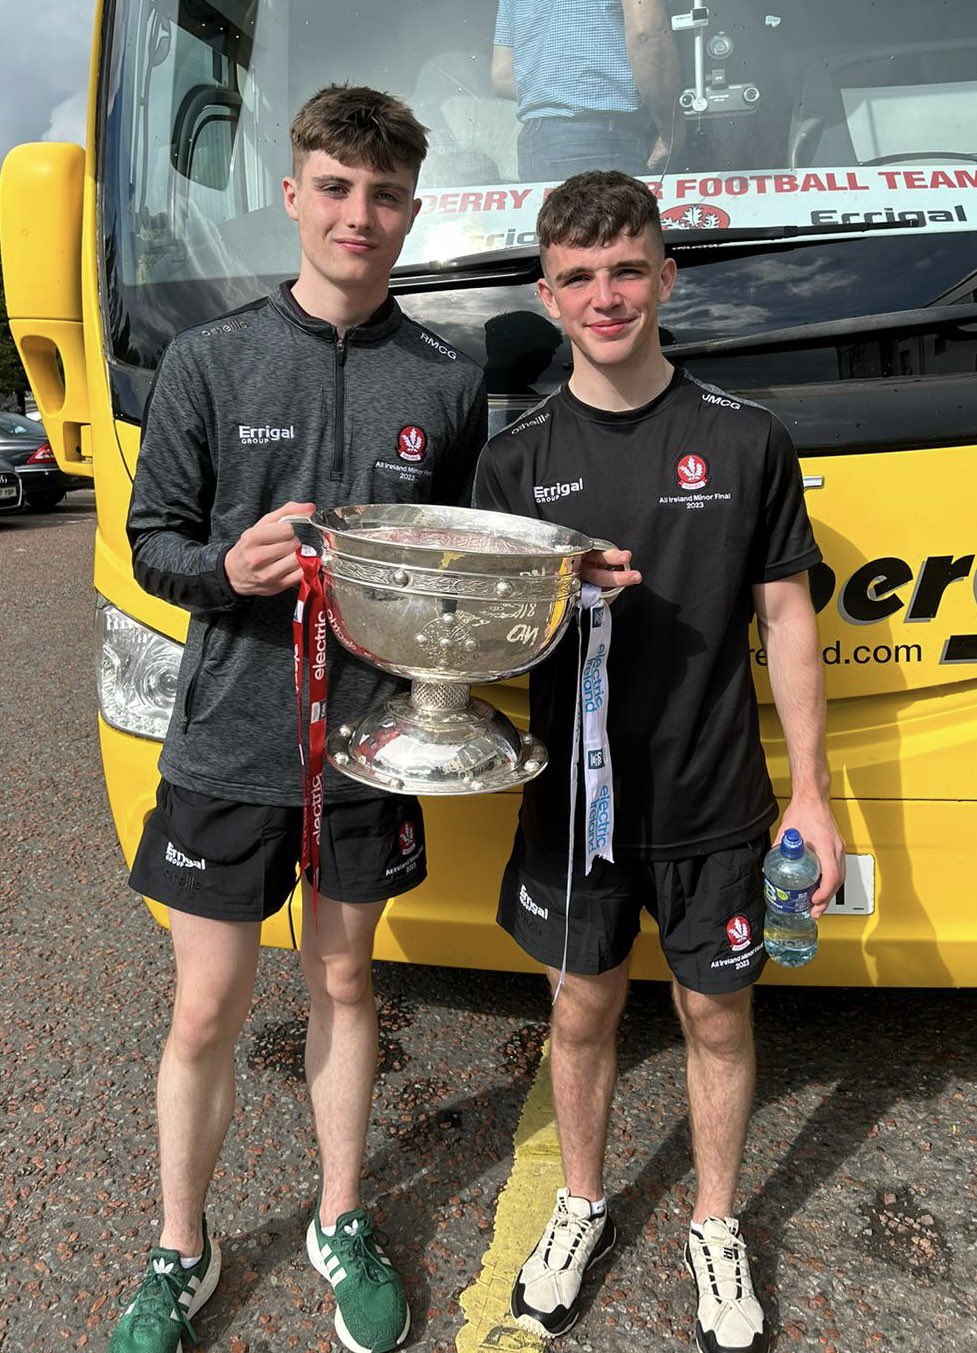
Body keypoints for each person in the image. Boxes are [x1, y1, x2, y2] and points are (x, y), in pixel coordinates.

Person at [111, 85, 487, 1353]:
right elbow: (149, 542)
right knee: (207, 1008)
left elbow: (462, 559)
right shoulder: (210, 359)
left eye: (383, 195)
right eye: (334, 187)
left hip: (372, 748)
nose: (357, 215)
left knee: (343, 979)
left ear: (411, 212)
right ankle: (182, 1247)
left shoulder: (445, 377)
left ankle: (339, 1216)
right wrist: (230, 569)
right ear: (291, 194)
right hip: (230, 742)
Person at [473, 170, 845, 1351]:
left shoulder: (744, 437)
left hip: (712, 801)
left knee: (716, 1019)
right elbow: (482, 635)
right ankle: (580, 1203)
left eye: (626, 269)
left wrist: (812, 798)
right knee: (579, 1016)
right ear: (548, 290)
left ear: (664, 277)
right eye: (577, 277)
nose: (604, 295)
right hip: (574, 816)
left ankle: (714, 1221)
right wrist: (546, 595)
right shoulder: (514, 462)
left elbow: (787, 620)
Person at [491, 0, 682, 180]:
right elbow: (646, 36)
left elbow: (502, 75)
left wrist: (559, 95)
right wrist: (671, 133)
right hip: (608, 137)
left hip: (536, 142)